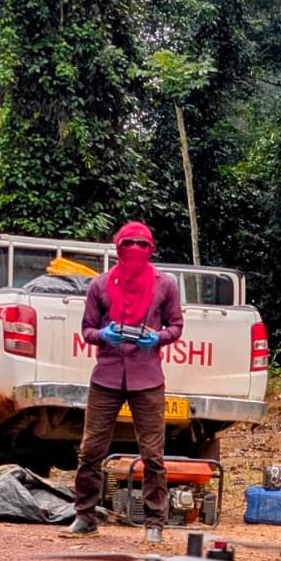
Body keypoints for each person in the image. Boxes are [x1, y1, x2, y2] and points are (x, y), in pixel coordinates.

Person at [70, 221, 184, 538]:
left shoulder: (166, 285)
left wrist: (157, 338)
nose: (135, 250)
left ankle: (154, 524)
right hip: (106, 376)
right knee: (91, 449)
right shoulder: (101, 285)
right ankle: (85, 516)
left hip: (147, 377)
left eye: (142, 245)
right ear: (118, 248)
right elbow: (88, 329)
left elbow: (176, 326)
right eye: (128, 244)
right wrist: (105, 335)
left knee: (152, 454)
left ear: (151, 249)